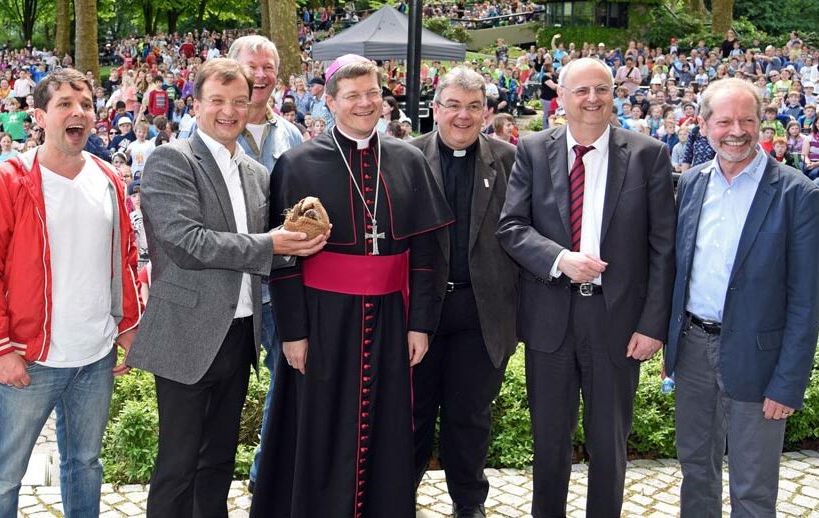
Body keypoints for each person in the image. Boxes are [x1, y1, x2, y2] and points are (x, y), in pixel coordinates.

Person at [251, 54, 452, 517]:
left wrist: (420, 324)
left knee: (384, 426)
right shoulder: (297, 163)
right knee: (319, 424)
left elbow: (426, 253)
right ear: (330, 101)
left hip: (389, 319)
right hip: (323, 320)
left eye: (373, 94)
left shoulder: (408, 160)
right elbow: (282, 257)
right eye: (353, 96)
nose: (365, 104)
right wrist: (294, 333)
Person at [127, 57, 326, 518]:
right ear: (196, 104)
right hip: (186, 333)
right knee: (178, 464)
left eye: (239, 101)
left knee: (218, 461)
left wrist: (300, 244)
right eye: (217, 100)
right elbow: (186, 243)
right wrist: (273, 243)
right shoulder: (171, 159)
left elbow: (268, 251)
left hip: (240, 333)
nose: (229, 111)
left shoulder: (257, 173)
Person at [496, 58, 676, 517]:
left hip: (615, 322)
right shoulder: (533, 149)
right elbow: (511, 227)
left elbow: (662, 248)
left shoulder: (648, 154)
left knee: (609, 443)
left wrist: (653, 325)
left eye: (602, 89)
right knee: (549, 441)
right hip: (549, 318)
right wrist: (559, 259)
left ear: (614, 93)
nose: (592, 98)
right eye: (582, 90)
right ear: (562, 96)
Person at [0, 68, 142, 518]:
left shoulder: (108, 177)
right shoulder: (8, 179)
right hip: (30, 355)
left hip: (95, 355)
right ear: (40, 116)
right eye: (64, 104)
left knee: (85, 464)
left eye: (85, 104)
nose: (78, 112)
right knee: (4, 473)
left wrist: (128, 327)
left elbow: (122, 260)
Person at [667, 76, 819, 518]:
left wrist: (788, 383)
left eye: (748, 120)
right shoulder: (691, 183)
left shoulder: (798, 194)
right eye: (725, 121)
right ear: (704, 124)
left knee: (752, 488)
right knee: (695, 471)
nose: (737, 131)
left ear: (762, 123)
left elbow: (807, 300)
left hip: (760, 359)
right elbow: (680, 272)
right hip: (693, 351)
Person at [409, 67, 518, 518]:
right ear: (435, 109)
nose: (463, 115)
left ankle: (469, 503)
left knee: (469, 417)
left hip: (481, 311)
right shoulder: (406, 157)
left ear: (487, 112)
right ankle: (398, 496)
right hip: (418, 313)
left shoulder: (510, 159)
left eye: (474, 106)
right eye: (452, 104)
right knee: (411, 414)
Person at [226, 34, 305, 487]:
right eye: (252, 66)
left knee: (285, 384)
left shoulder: (290, 135)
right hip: (225, 289)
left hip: (279, 287)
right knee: (221, 391)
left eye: (268, 67)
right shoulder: (204, 127)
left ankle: (266, 473)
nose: (260, 75)